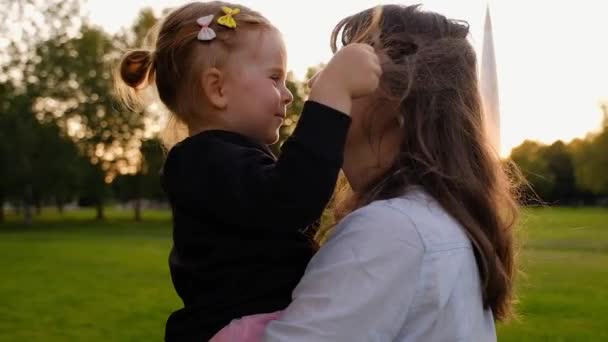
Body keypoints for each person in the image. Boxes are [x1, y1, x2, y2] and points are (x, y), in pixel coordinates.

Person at [213, 4, 520, 341]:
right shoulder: (429, 220)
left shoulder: (391, 232)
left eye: (352, 65)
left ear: (402, 101)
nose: (319, 82)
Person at [115, 2, 381, 341]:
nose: (287, 95)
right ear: (218, 89)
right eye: (275, 78)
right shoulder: (204, 160)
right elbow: (293, 197)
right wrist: (332, 94)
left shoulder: (226, 159)